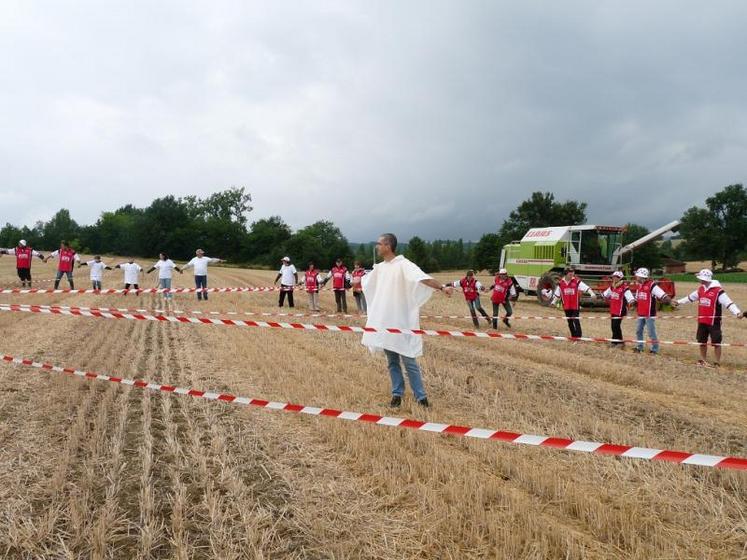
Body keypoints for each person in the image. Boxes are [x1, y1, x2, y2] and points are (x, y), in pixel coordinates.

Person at [361, 233, 453, 408]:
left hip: (402, 322)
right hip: (386, 322)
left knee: (409, 360)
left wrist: (441, 287)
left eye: (379, 244)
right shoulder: (380, 268)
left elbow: (422, 278)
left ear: (388, 246)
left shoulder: (404, 265)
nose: (377, 247)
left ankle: (421, 397)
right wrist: (358, 282)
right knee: (392, 362)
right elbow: (367, 284)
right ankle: (397, 394)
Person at [673, 269, 744, 367]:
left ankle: (717, 362)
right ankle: (703, 360)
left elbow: (729, 303)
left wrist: (737, 312)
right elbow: (690, 298)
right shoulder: (701, 289)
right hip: (702, 321)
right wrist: (678, 302)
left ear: (705, 279)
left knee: (716, 342)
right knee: (702, 341)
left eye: (700, 278)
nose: (699, 280)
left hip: (714, 322)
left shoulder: (719, 291)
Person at [632, 267, 672, 354]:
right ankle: (640, 347)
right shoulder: (639, 285)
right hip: (640, 313)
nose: (636, 277)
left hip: (649, 314)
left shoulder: (652, 285)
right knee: (638, 331)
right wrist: (634, 302)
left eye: (637, 276)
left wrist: (668, 301)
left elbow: (664, 296)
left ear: (642, 277)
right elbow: (637, 298)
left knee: (651, 332)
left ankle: (655, 349)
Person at [548, 267, 596, 338]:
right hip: (566, 306)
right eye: (570, 274)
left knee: (575, 320)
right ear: (566, 274)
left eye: (572, 274)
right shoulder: (561, 283)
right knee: (569, 322)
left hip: (575, 305)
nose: (572, 276)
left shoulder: (576, 282)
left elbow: (586, 287)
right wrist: (553, 302)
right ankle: (573, 336)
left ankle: (578, 336)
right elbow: (557, 294)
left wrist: (592, 293)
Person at [601, 271, 635, 347]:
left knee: (616, 325)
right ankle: (616, 341)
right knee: (613, 326)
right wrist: (602, 295)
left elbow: (630, 297)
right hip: (613, 309)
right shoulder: (612, 286)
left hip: (620, 310)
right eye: (613, 277)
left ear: (620, 278)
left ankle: (618, 342)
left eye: (616, 277)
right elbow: (605, 294)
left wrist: (632, 301)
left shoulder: (624, 287)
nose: (614, 278)